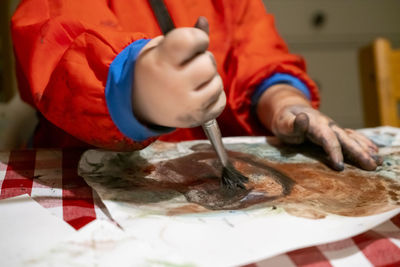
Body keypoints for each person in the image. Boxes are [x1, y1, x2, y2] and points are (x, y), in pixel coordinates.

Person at [11, 0, 380, 171]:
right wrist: (131, 89)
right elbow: (56, 44)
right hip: (89, 182)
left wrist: (285, 101)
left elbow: (256, 52)